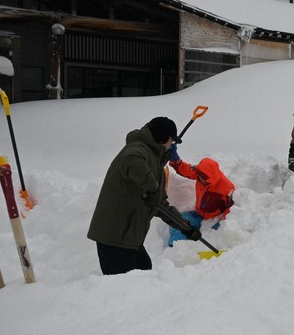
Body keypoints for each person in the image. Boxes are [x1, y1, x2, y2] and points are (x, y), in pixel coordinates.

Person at [88, 116, 201, 275]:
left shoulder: (155, 163)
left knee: (145, 271)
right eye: (170, 140)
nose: (171, 145)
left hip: (130, 238)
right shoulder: (137, 150)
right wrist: (152, 187)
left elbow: (160, 204)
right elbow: (131, 158)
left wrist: (186, 227)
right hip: (115, 237)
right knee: (124, 289)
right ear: (162, 138)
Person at [166, 149, 235, 247]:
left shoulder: (226, 188)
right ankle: (175, 247)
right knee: (180, 221)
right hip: (198, 215)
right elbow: (186, 169)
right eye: (199, 175)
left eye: (203, 178)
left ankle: (199, 249)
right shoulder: (200, 174)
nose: (200, 179)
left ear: (211, 177)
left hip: (213, 220)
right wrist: (175, 161)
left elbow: (230, 208)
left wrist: (222, 223)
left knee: (211, 238)